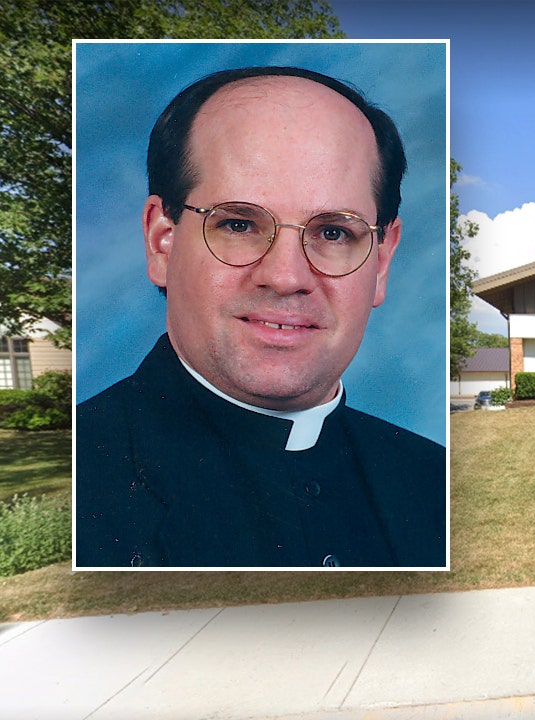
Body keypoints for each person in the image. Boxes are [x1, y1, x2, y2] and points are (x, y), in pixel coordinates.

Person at [75, 66, 446, 568]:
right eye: (238, 223)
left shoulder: (434, 480)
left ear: (381, 262)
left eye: (334, 232)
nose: (287, 276)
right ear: (162, 241)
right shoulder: (81, 484)